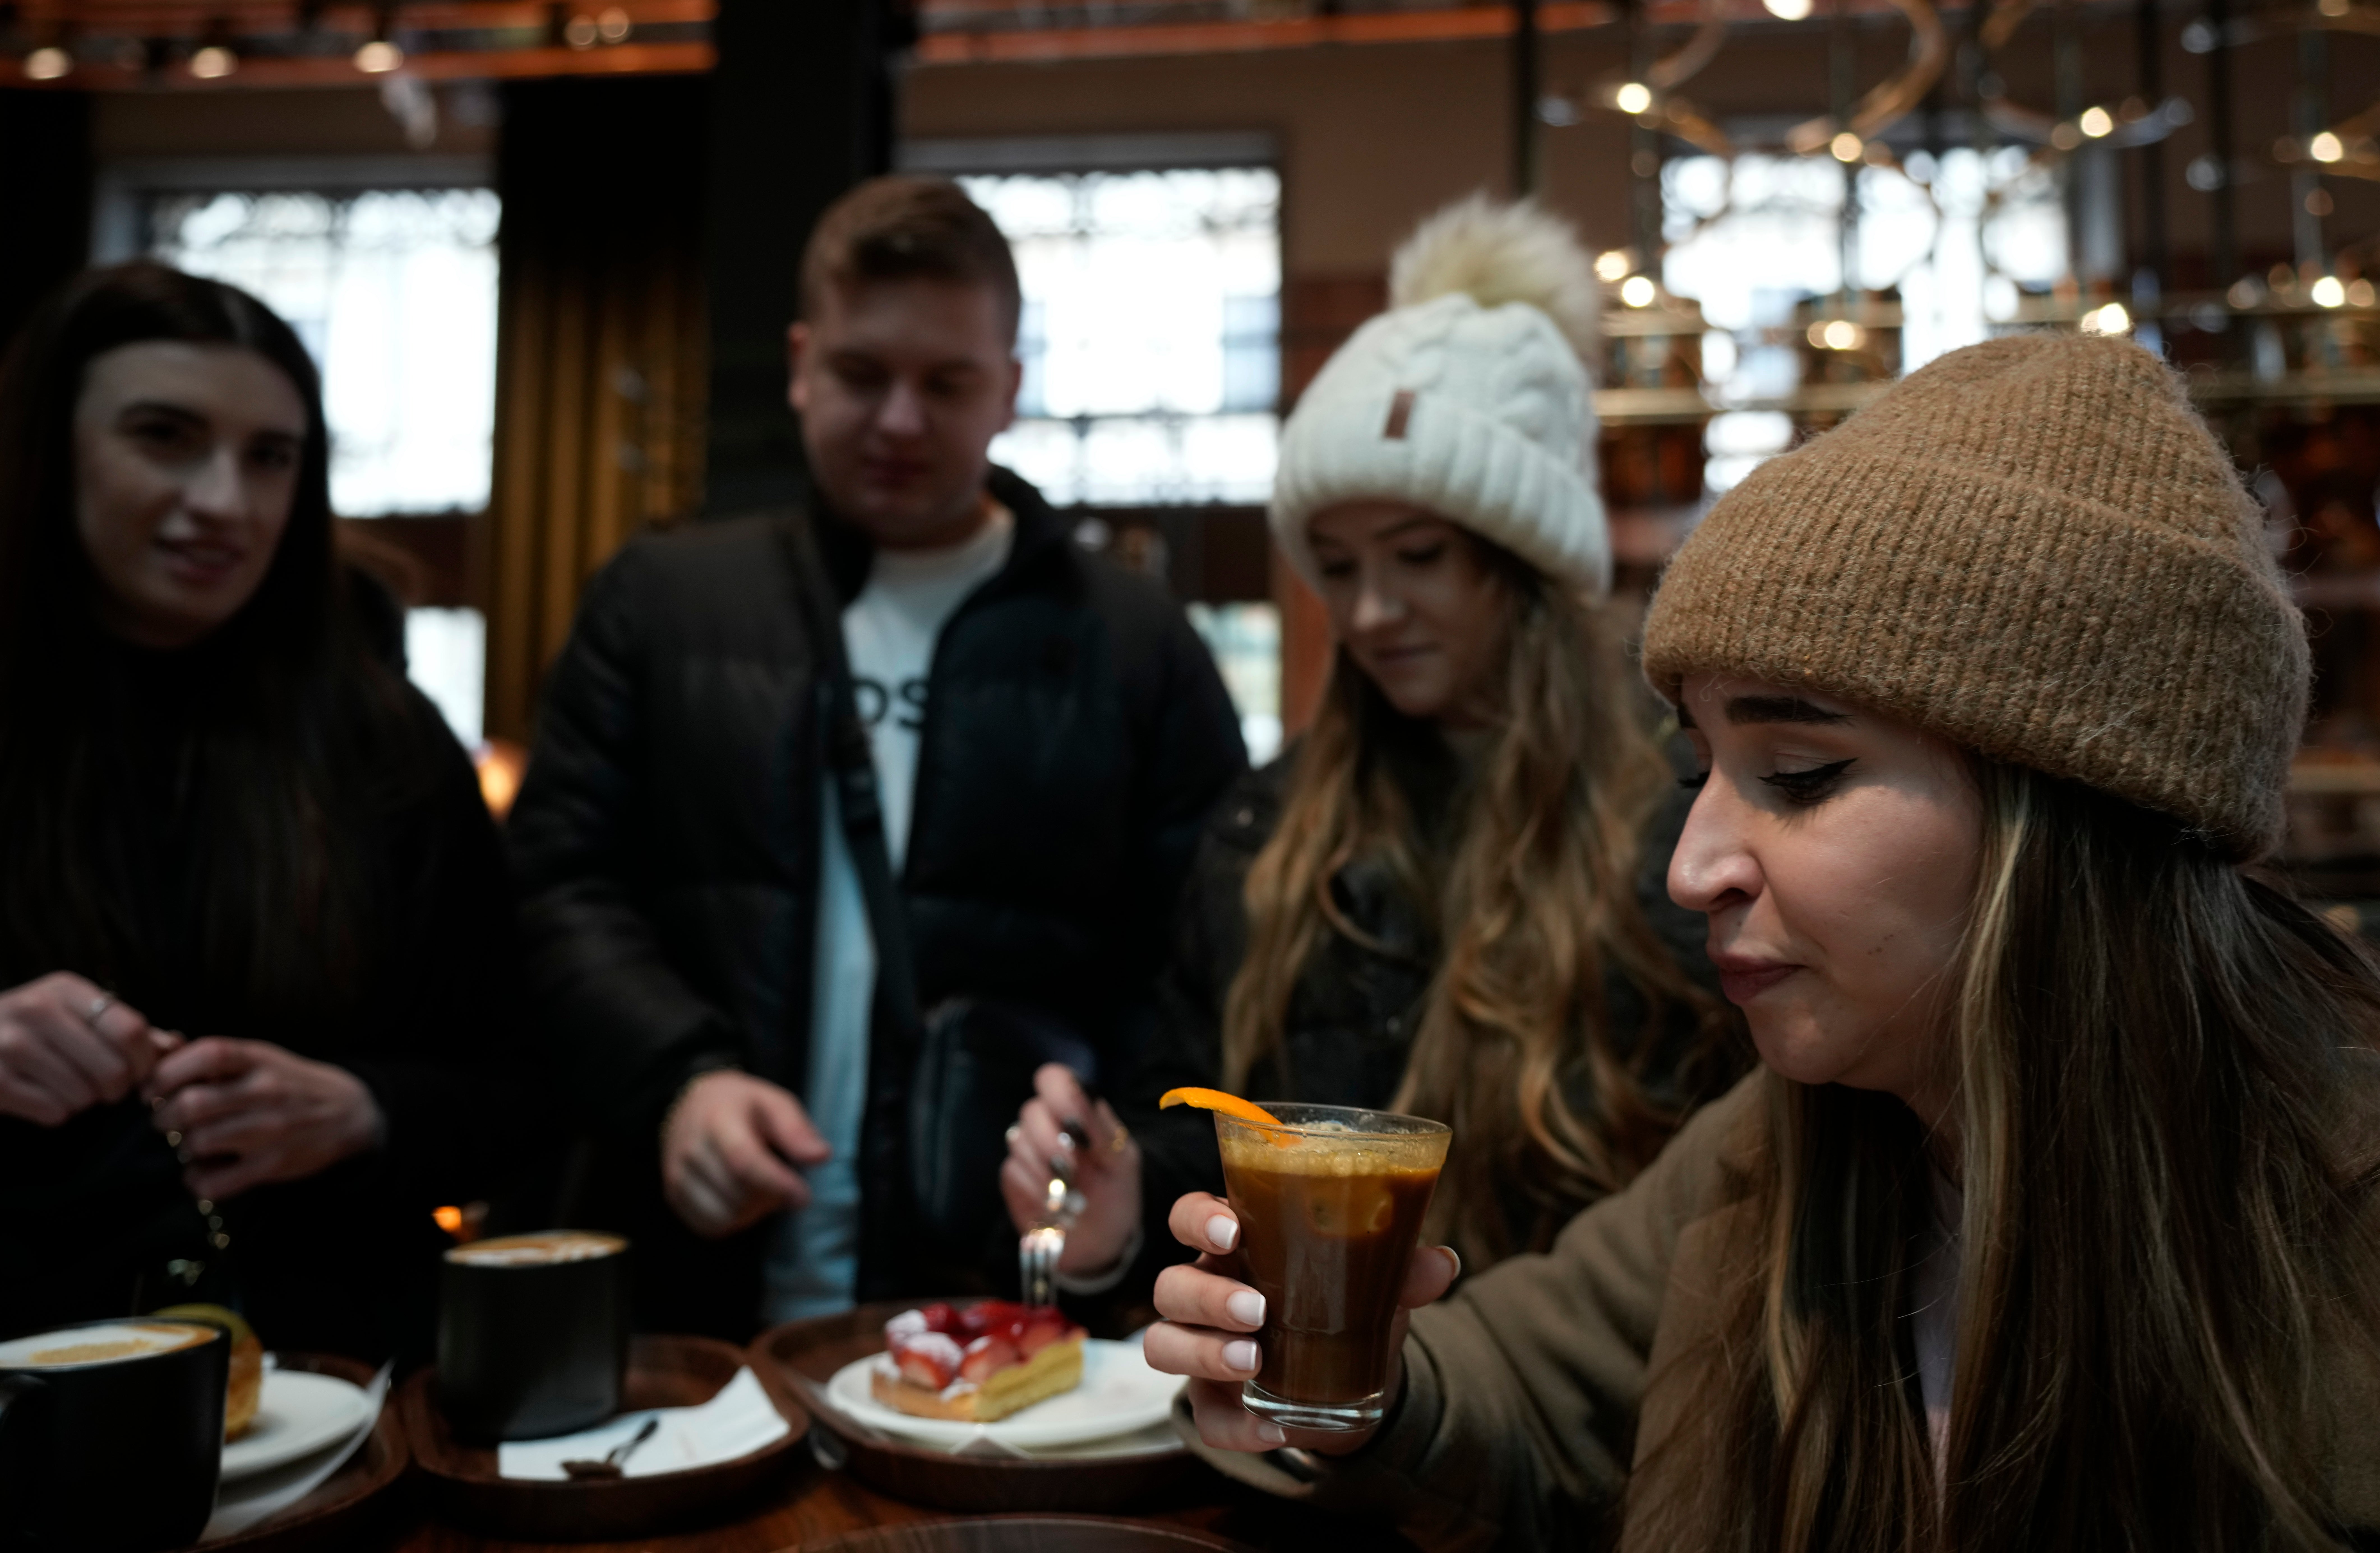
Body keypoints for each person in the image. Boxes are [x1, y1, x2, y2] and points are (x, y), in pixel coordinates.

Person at [1146, 335, 2380, 1550]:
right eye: (1699, 768)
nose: (1690, 865)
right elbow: (1516, 1384)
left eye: (1797, 773)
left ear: (2066, 818)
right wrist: (1351, 1390)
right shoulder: (1774, 1150)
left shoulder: (2335, 1218)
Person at [508, 176, 1246, 1339]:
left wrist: (1134, 1171)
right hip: (687, 1294)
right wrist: (677, 1076)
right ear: (801, 363)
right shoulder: (662, 601)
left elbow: (1204, 970)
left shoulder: (1132, 642)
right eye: (862, 374)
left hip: (1003, 1309)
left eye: (945, 382)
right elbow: (554, 885)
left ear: (1006, 387)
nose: (899, 419)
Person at [1002, 198, 1738, 1304]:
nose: (1373, 608)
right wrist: (1116, 1217)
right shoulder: (1270, 826)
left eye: (1417, 554)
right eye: (1337, 566)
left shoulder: (1683, 817)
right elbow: (1200, 1154)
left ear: (1519, 560)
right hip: (1308, 1433)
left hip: (1593, 1439)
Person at [0, 263, 527, 1362]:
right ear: (52, 447)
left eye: (271, 458)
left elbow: (517, 1078)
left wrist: (364, 1107)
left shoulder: (383, 736)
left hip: (326, 1390)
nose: (226, 502)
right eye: (165, 436)